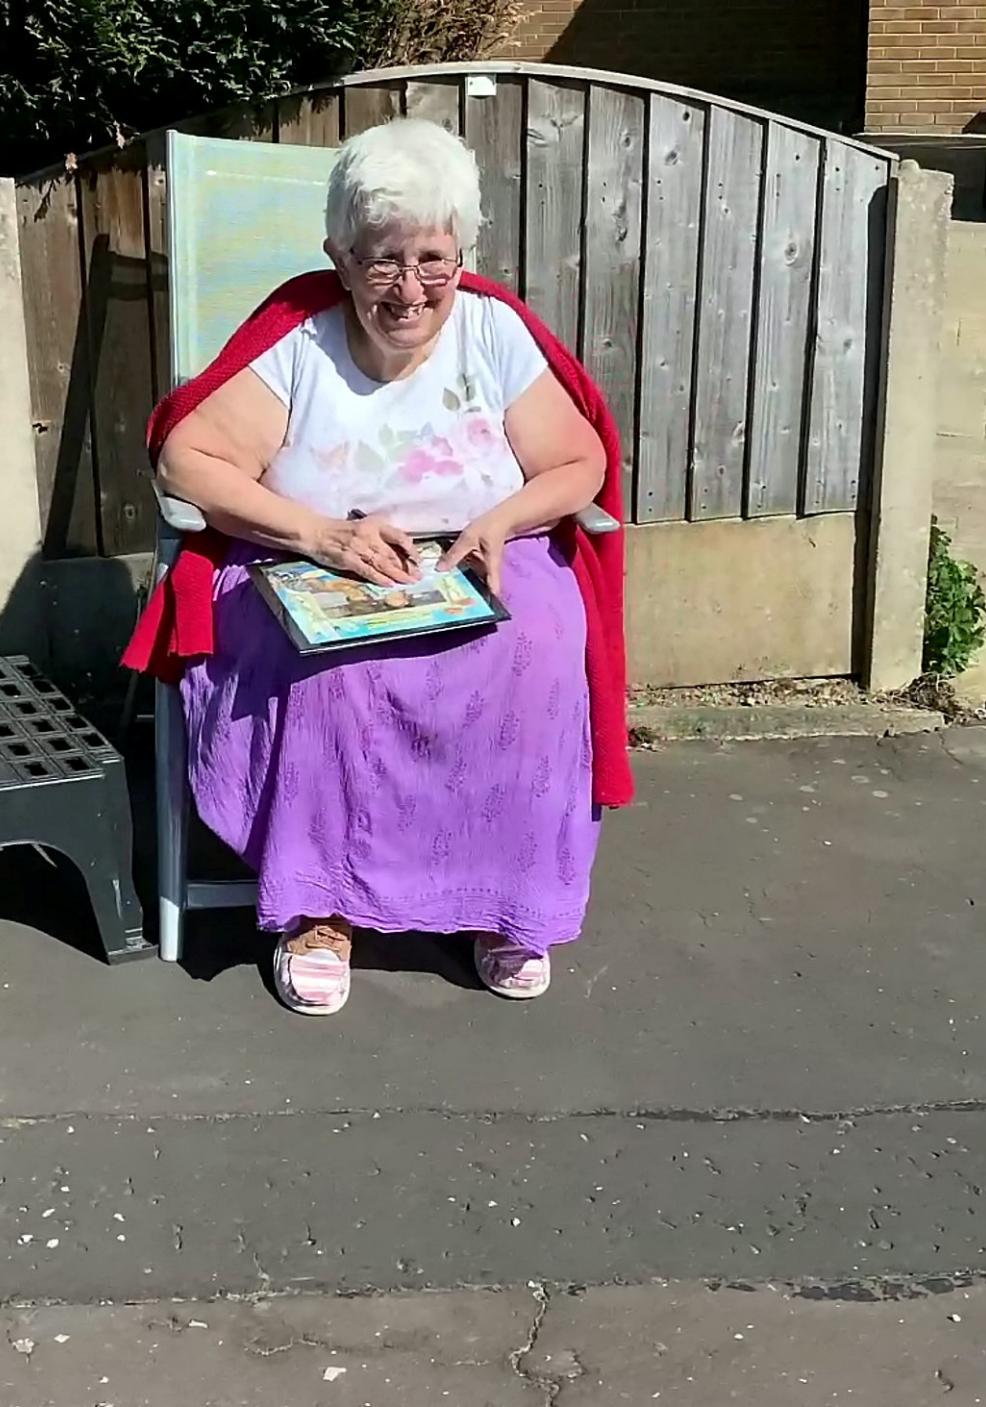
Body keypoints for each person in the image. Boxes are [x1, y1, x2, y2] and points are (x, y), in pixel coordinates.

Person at [122, 117, 633, 1017]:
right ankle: (321, 911)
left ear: (463, 254)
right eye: (381, 260)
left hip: (478, 552)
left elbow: (580, 460)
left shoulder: (494, 333)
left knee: (540, 645)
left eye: (433, 259)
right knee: (328, 671)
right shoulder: (299, 341)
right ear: (340, 256)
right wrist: (320, 536)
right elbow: (185, 460)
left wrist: (501, 518)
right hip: (315, 553)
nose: (408, 288)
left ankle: (498, 903)